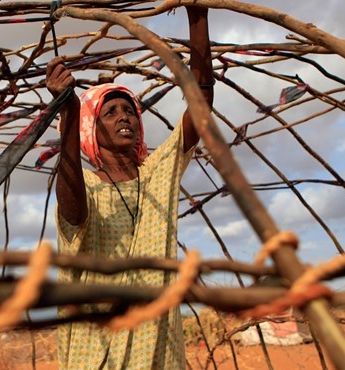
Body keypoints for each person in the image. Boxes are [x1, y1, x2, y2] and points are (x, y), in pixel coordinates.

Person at [46, 7, 213, 369]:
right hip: (96, 355)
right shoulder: (84, 184)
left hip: (160, 354)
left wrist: (198, 17)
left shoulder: (157, 175)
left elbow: (199, 107)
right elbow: (73, 211)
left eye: (129, 110)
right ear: (91, 129)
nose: (124, 116)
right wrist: (69, 114)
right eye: (110, 112)